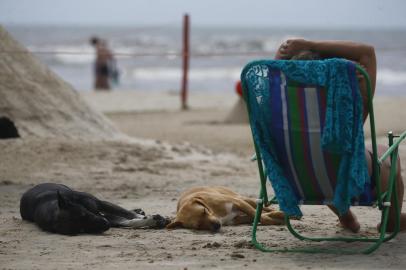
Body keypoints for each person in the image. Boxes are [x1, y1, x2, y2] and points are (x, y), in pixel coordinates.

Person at [274, 39, 406, 233]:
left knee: (315, 160)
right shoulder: (349, 99)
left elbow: (275, 65)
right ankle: (392, 220)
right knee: (387, 153)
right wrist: (313, 45)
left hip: (301, 181)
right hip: (355, 184)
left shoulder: (278, 102)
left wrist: (291, 47)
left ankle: (346, 218)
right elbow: (367, 51)